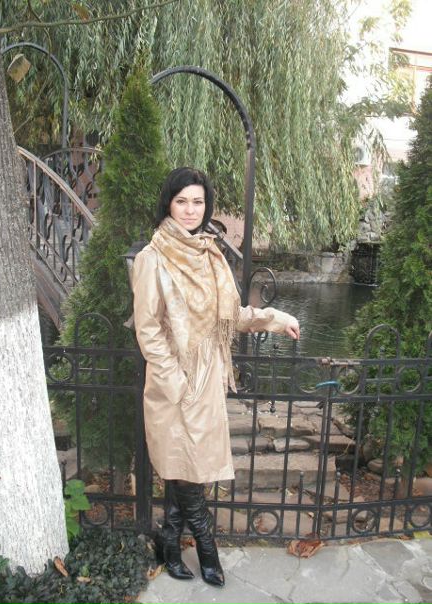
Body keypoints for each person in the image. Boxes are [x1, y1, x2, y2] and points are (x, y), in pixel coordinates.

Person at [132, 167, 300, 588]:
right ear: (168, 204)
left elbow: (231, 316)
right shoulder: (153, 258)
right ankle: (207, 549)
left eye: (198, 201)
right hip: (174, 379)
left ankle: (169, 541)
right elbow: (148, 330)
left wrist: (274, 319)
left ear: (206, 206)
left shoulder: (210, 254)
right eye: (182, 201)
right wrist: (176, 382)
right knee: (185, 468)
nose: (191, 210)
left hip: (208, 377)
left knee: (188, 466)